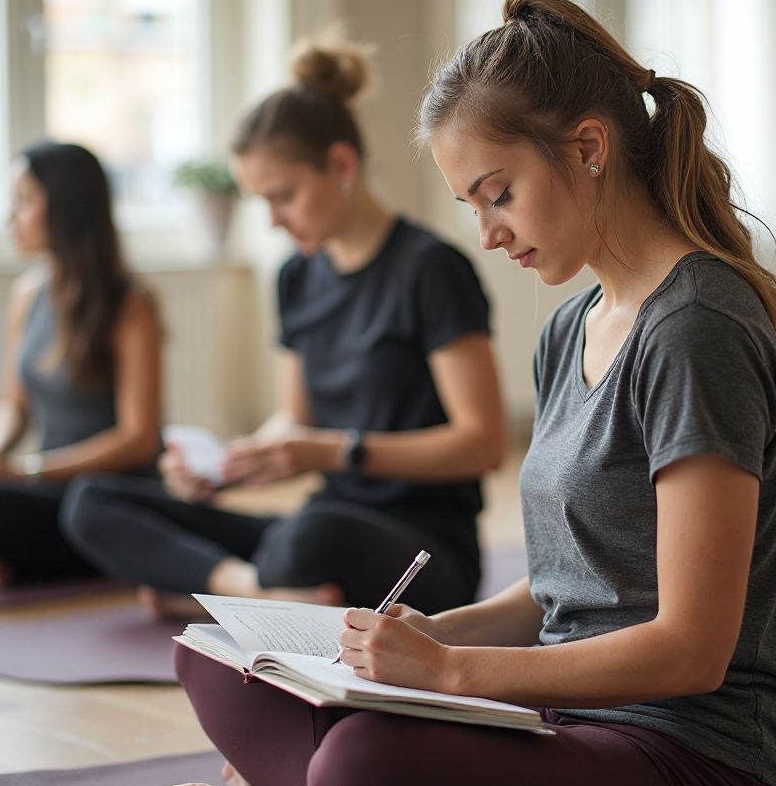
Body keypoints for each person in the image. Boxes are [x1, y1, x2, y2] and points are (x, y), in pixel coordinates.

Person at [132, 0, 776, 786]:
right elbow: (555, 590)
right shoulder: (568, 328)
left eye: (499, 194)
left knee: (358, 772)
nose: (488, 231)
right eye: (471, 205)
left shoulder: (694, 330)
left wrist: (452, 674)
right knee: (215, 660)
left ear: (587, 149)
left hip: (695, 779)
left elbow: (691, 652)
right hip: (557, 724)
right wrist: (421, 638)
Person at [60, 34, 504, 617]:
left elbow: (484, 444)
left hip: (420, 549)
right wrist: (228, 468)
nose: (273, 221)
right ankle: (251, 590)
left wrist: (332, 453)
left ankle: (216, 590)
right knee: (91, 500)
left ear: (340, 165)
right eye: (260, 202)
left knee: (307, 537)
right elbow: (295, 417)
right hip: (322, 520)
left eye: (284, 196)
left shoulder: (431, 270)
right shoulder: (295, 277)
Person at [0, 142, 162, 588]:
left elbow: (139, 440)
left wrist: (24, 471)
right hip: (36, 484)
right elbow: (13, 403)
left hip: (96, 498)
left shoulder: (129, 304)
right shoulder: (27, 294)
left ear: (64, 208)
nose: (9, 216)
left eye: (23, 200)